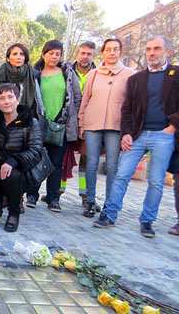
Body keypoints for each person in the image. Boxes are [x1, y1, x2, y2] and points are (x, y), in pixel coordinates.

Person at [93, 35, 179, 238]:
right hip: (137, 135)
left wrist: (172, 127)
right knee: (122, 175)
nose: (152, 53)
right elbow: (128, 109)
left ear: (168, 51)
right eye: (148, 49)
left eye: (157, 49)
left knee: (156, 181)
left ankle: (147, 221)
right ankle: (109, 214)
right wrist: (127, 134)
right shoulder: (136, 79)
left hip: (164, 136)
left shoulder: (176, 76)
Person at [78, 39, 134, 217]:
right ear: (102, 53)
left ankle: (110, 203)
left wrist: (129, 129)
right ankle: (90, 201)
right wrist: (81, 122)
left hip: (116, 126)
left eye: (115, 49)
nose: (112, 52)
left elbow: (132, 102)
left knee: (111, 166)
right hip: (92, 123)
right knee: (91, 164)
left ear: (120, 52)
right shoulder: (94, 74)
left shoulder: (129, 74)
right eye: (108, 49)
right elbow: (85, 100)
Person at [26, 40, 81, 212]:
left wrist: (72, 118)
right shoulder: (35, 75)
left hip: (60, 125)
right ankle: (32, 195)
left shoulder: (68, 74)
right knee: (36, 159)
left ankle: (53, 198)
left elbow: (77, 98)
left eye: (57, 54)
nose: (54, 57)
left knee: (57, 163)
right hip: (39, 124)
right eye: (51, 53)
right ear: (43, 54)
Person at [0, 83, 42, 232]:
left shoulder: (30, 122)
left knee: (11, 175)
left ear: (18, 99)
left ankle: (14, 212)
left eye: (10, 97)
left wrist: (13, 161)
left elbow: (36, 150)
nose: (6, 101)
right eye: (2, 98)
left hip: (19, 171)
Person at [59, 42, 96, 204]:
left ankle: (85, 195)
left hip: (90, 122)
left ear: (93, 56)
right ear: (77, 54)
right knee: (63, 158)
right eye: (83, 53)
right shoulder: (66, 71)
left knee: (87, 160)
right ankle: (57, 192)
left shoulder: (98, 73)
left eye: (89, 54)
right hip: (69, 121)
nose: (85, 56)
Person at [0, 43, 44, 119]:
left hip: (28, 116)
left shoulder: (33, 73)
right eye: (15, 54)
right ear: (8, 58)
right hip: (4, 117)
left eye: (22, 54)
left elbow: (38, 99)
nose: (18, 57)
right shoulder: (0, 73)